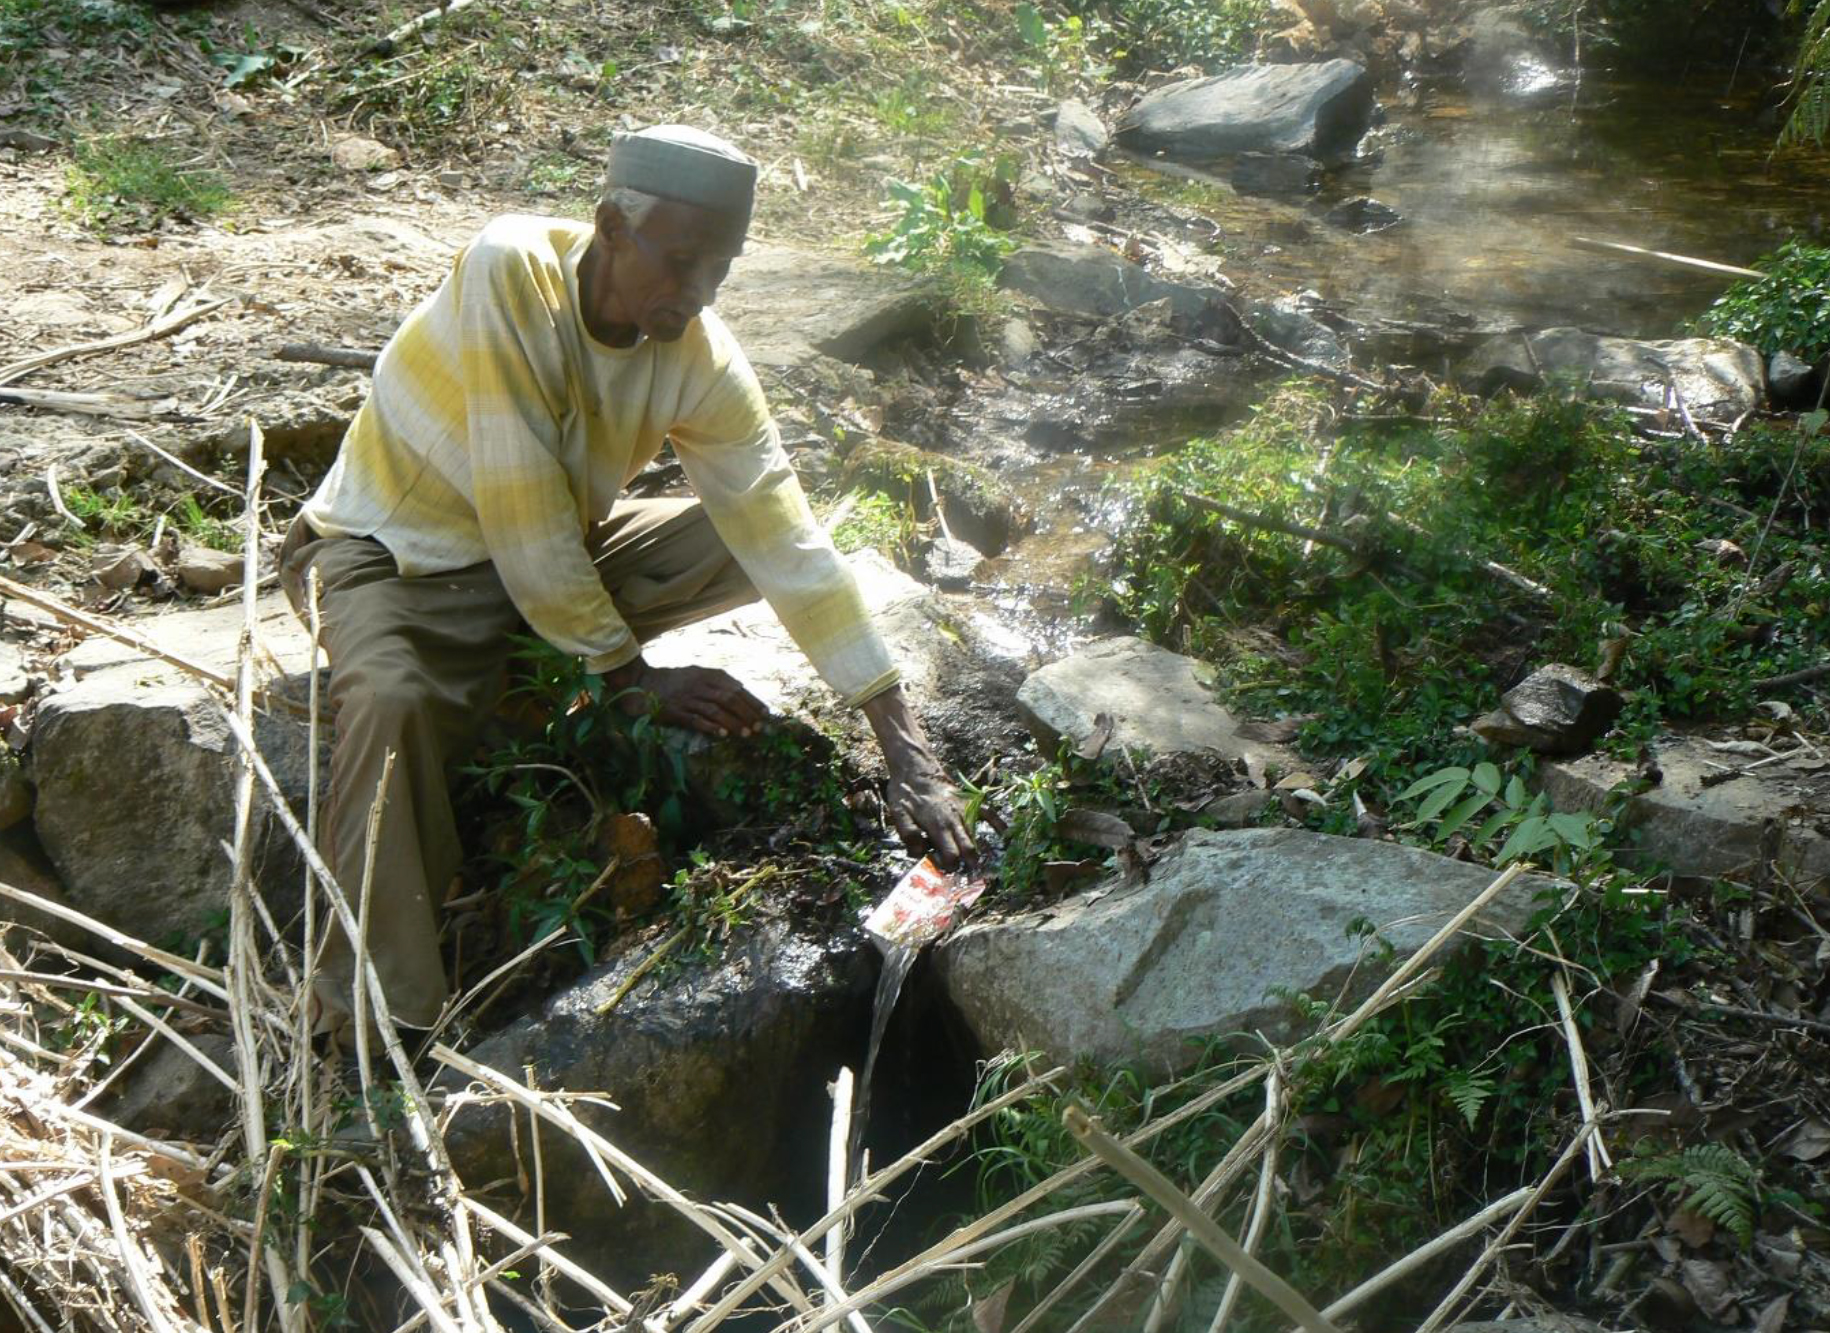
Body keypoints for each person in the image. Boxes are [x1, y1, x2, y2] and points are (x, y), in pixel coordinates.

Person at [280, 124, 972, 1034]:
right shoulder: (509, 271)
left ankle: (541, 666)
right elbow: (521, 512)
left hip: (552, 551)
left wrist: (906, 753)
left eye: (719, 270)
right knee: (392, 704)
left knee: (746, 535)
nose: (696, 293)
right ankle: (377, 1015)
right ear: (611, 226)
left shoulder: (697, 351)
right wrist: (632, 681)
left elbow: (782, 530)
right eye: (681, 262)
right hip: (392, 556)